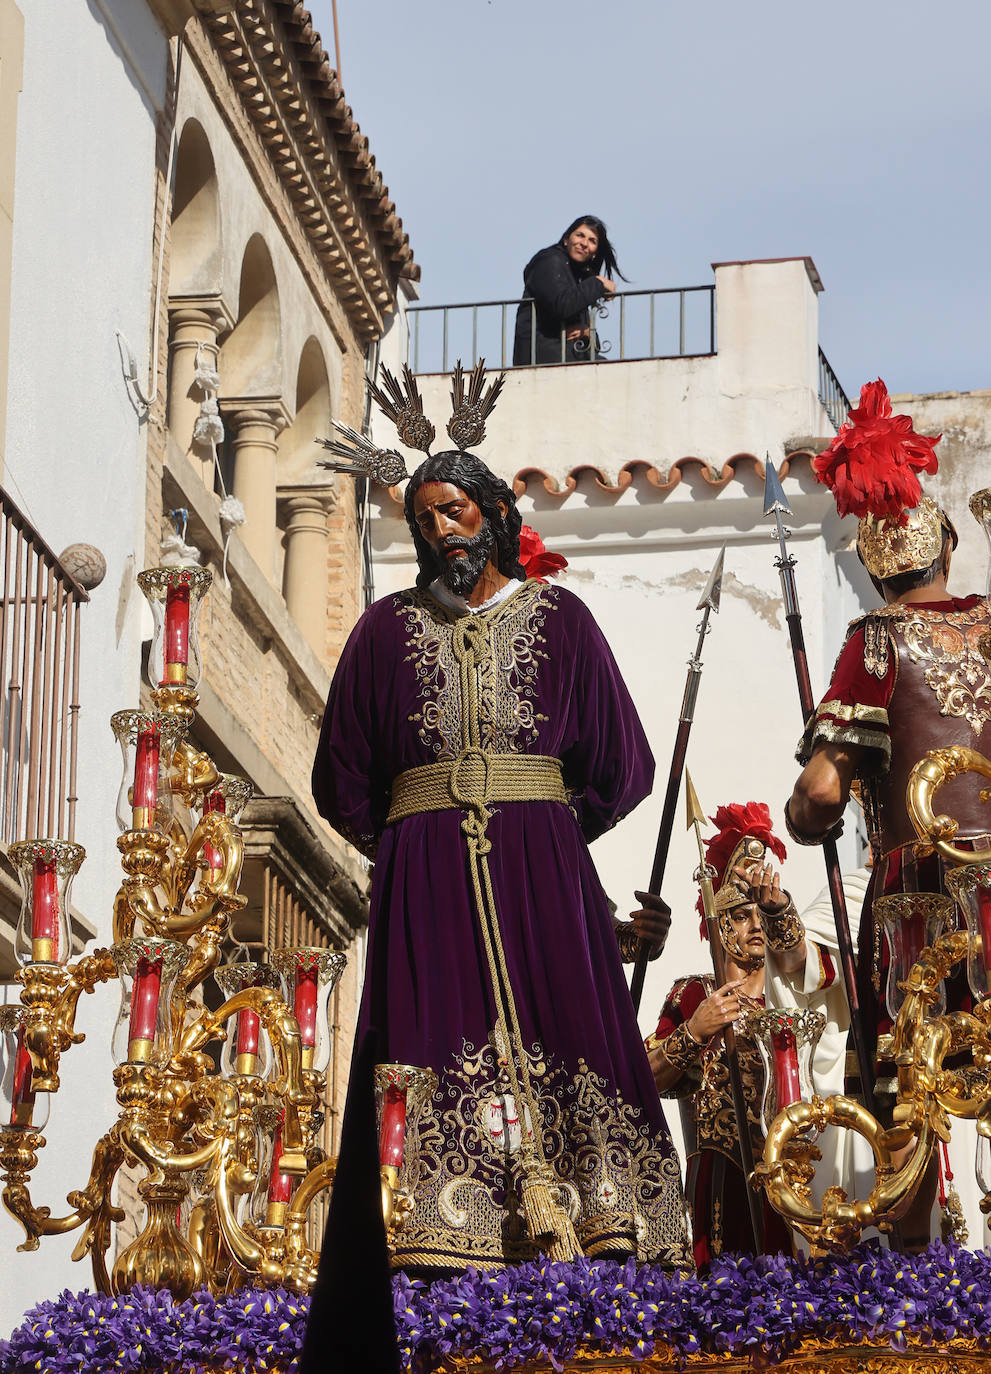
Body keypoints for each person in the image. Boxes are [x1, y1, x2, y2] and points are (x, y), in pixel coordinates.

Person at [312, 442, 690, 1274]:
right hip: (423, 878)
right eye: (424, 521)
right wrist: (406, 849)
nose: (441, 530)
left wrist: (549, 835)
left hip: (542, 871)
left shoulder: (561, 620)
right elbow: (340, 774)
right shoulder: (383, 630)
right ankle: (436, 1234)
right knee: (431, 1034)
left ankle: (602, 1217)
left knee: (568, 1025)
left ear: (492, 511)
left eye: (453, 510)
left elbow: (622, 762)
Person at [787, 378, 991, 1248]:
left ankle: (916, 1275)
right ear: (946, 545)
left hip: (922, 896)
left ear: (874, 567)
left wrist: (805, 817)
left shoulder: (875, 639)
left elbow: (821, 792)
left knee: (909, 1087)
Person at [646, 803, 841, 1269]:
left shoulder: (788, 998)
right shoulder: (695, 993)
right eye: (740, 915)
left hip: (792, 1173)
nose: (755, 925)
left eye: (760, 915)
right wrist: (695, 1031)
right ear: (718, 923)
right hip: (720, 1176)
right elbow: (643, 1077)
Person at [512, 214, 624, 365]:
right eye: (580, 235)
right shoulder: (550, 260)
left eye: (592, 241)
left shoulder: (576, 278)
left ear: (595, 253)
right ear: (566, 239)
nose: (584, 243)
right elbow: (562, 305)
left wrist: (588, 333)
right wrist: (598, 283)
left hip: (565, 354)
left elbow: (589, 340)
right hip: (541, 355)